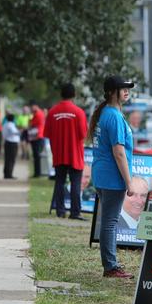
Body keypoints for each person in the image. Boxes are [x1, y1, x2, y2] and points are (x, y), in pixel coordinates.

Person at [88, 75, 135, 279]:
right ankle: (110, 266)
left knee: (109, 221)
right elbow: (118, 152)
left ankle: (111, 263)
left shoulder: (106, 113)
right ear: (110, 92)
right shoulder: (113, 116)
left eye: (128, 88)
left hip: (102, 175)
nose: (126, 91)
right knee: (109, 222)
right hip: (111, 178)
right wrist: (129, 181)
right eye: (122, 88)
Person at [44, 83, 88, 220]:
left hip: (58, 154)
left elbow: (47, 133)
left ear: (61, 94)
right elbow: (83, 134)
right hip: (75, 154)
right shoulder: (79, 112)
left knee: (59, 182)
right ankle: (75, 212)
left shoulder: (52, 112)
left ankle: (60, 211)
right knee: (75, 183)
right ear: (74, 94)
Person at [29, 103, 46, 177]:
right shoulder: (39, 113)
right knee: (37, 156)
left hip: (37, 137)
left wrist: (30, 121)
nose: (31, 109)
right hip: (38, 136)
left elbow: (32, 123)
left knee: (37, 156)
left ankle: (37, 173)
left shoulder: (37, 114)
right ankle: (37, 172)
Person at [3, 113, 20, 179]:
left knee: (7, 159)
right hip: (12, 143)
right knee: (11, 159)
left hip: (7, 142)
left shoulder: (5, 124)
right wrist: (20, 130)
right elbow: (15, 132)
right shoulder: (11, 125)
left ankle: (6, 173)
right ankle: (9, 174)